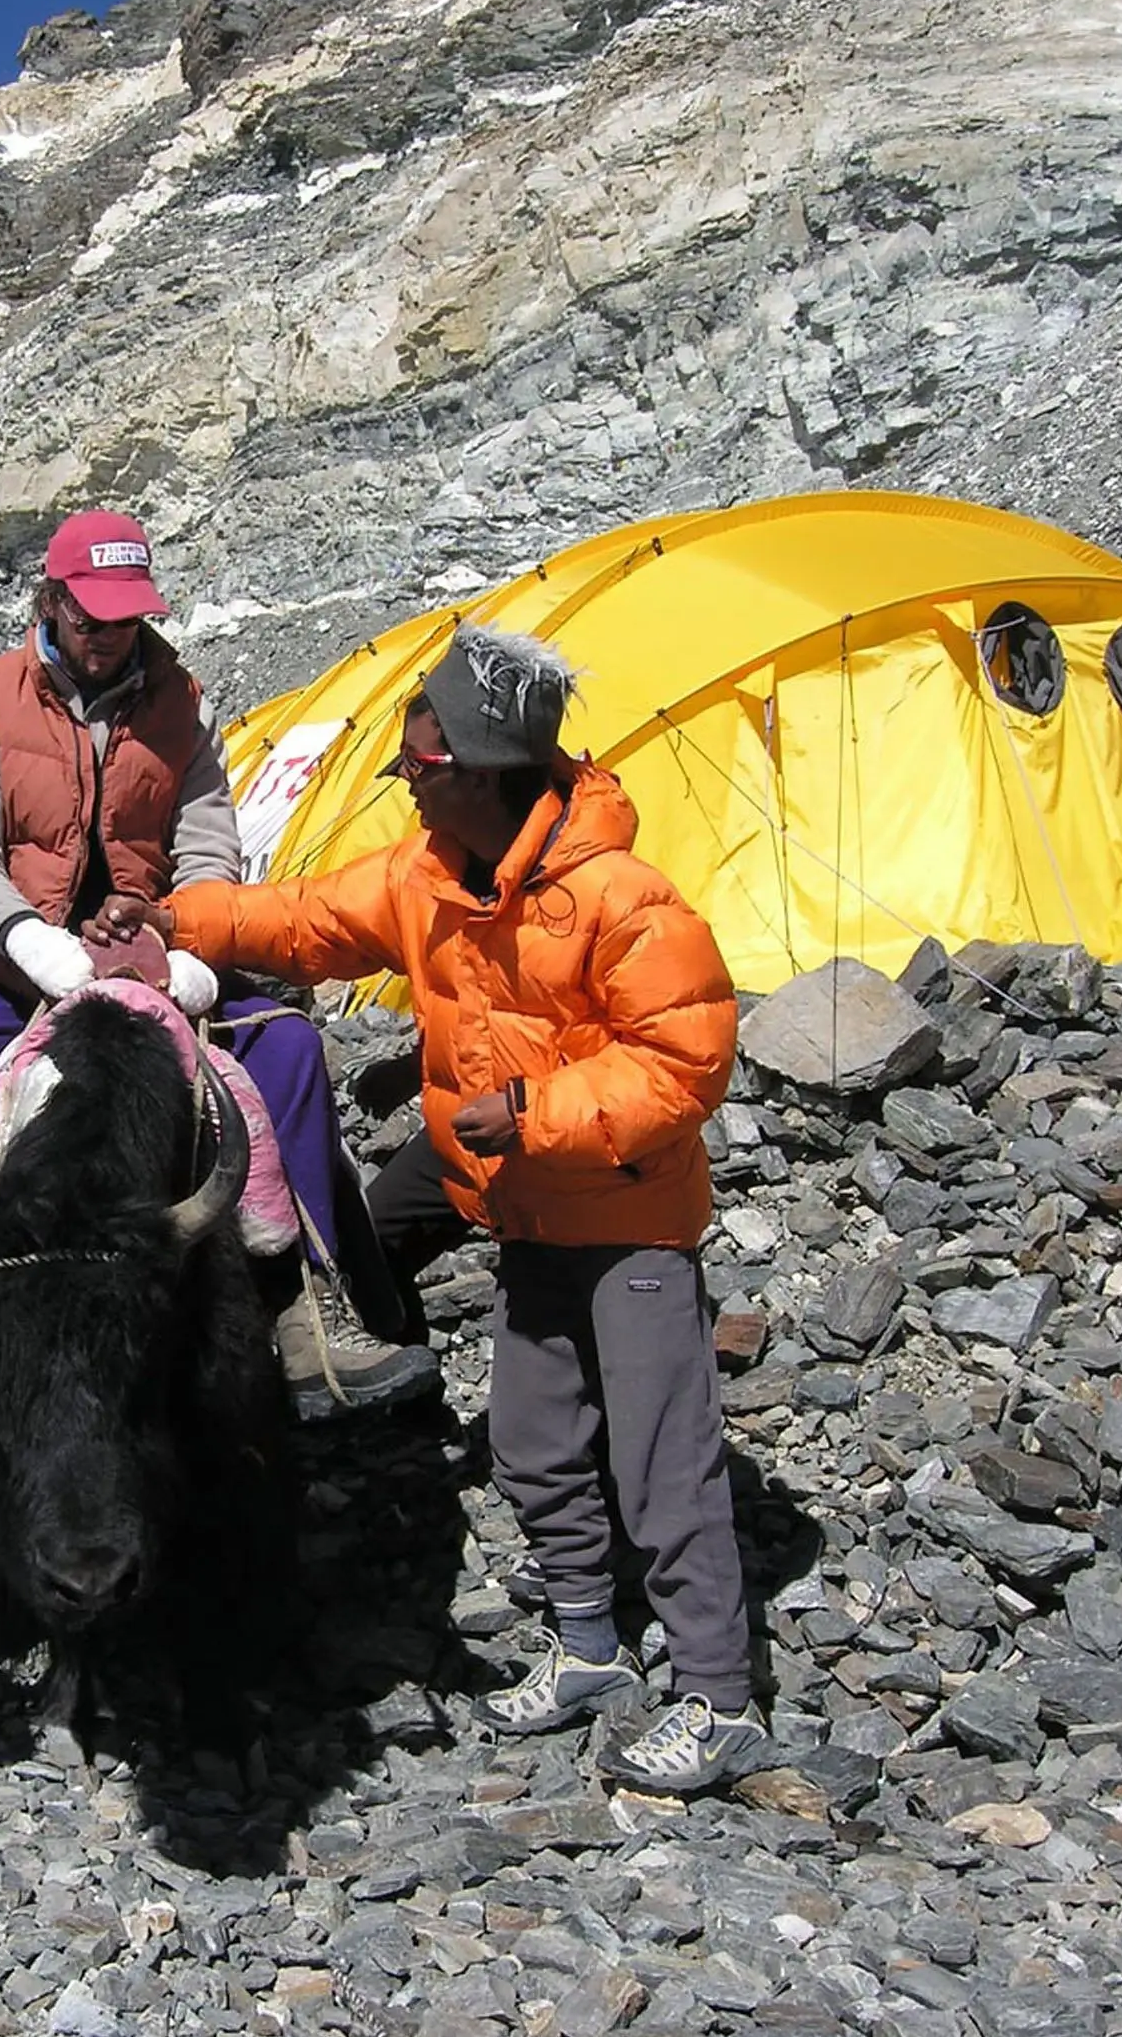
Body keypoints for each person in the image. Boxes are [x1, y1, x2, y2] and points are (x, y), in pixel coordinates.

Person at [146, 624, 765, 1791]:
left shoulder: (622, 897)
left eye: (418, 767)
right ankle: (590, 1649)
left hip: (628, 1223)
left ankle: (719, 1695)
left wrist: (531, 1107)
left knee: (663, 1464)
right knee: (534, 1441)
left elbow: (684, 1069)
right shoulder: (427, 878)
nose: (407, 783)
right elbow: (302, 921)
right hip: (528, 1217)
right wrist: (173, 927)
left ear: (480, 768)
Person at [0, 509, 433, 1437]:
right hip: (12, 960)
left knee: (289, 1054)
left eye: (124, 619)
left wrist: (185, 954)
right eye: (90, 617)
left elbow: (206, 843)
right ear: (51, 598)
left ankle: (303, 1305)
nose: (109, 637)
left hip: (148, 949)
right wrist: (37, 944)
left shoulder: (179, 702)